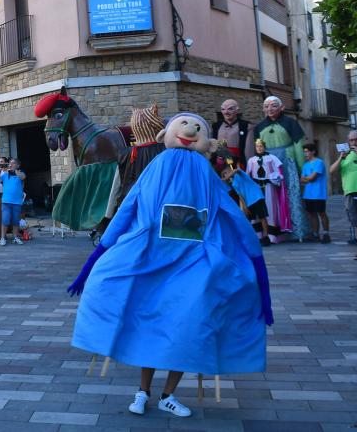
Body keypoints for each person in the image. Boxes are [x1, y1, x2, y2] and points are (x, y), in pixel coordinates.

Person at [69, 113, 272, 419]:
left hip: (194, 262)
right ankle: (143, 390)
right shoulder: (157, 165)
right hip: (151, 257)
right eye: (184, 125)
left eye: (198, 127)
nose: (190, 130)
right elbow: (129, 205)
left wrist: (255, 259)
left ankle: (169, 394)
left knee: (187, 326)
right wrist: (99, 254)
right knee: (149, 324)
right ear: (166, 132)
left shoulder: (203, 170)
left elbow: (229, 210)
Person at [248, 96, 309, 241]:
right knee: (271, 197)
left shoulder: (291, 123)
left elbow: (298, 146)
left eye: (273, 106)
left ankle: (297, 230)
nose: (270, 109)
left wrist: (302, 168)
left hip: (287, 161)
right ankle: (274, 232)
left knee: (291, 194)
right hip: (267, 165)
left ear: (281, 107)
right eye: (266, 106)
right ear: (263, 109)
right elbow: (257, 149)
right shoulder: (259, 127)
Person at [329, 130, 357, 260]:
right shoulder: (345, 156)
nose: (353, 142)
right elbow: (331, 170)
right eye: (351, 140)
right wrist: (341, 157)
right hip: (350, 192)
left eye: (356, 140)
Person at [247, 139, 289, 240]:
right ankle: (259, 235)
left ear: (264, 147)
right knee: (258, 210)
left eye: (261, 146)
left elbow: (279, 172)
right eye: (257, 146)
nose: (259, 148)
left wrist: (275, 178)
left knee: (270, 209)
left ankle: (271, 236)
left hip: (269, 186)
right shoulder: (251, 160)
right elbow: (248, 174)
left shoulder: (272, 158)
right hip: (256, 187)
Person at [300, 144, 330, 243]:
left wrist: (307, 178)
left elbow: (313, 178)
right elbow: (302, 180)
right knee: (312, 214)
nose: (305, 154)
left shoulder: (319, 163)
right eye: (304, 152)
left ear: (313, 151)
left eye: (307, 151)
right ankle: (315, 234)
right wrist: (307, 178)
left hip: (318, 193)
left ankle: (326, 234)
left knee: (322, 213)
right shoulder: (305, 165)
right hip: (308, 194)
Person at [212, 99, 251, 167]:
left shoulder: (246, 126)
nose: (226, 112)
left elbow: (249, 151)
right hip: (219, 164)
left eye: (230, 109)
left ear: (237, 110)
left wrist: (249, 167)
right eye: (223, 109)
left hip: (238, 164)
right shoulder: (216, 126)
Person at [0, 158, 26, 246]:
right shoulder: (5, 174)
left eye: (13, 163)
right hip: (6, 201)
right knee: (5, 220)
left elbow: (23, 177)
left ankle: (15, 237)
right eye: (10, 163)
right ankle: (2, 238)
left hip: (17, 202)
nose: (10, 164)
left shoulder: (20, 173)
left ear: (18, 165)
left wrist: (15, 170)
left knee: (15, 221)